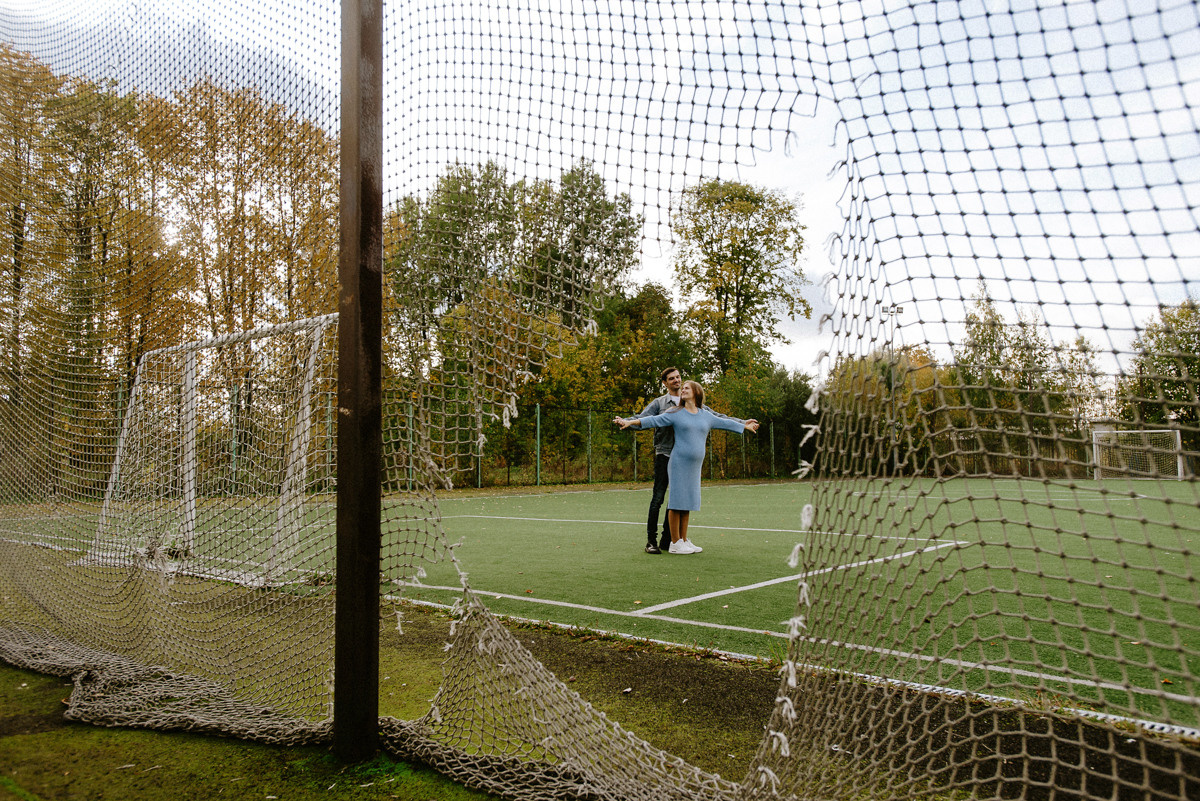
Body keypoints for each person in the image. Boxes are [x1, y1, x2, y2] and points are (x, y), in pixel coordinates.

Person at [615, 381, 759, 554]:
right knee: (676, 501)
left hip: (694, 465)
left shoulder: (705, 415)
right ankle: (674, 543)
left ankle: (683, 539)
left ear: (696, 393)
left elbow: (725, 422)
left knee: (688, 500)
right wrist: (630, 422)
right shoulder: (675, 413)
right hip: (678, 462)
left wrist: (744, 425)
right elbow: (653, 420)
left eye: (686, 388)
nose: (682, 390)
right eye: (682, 388)